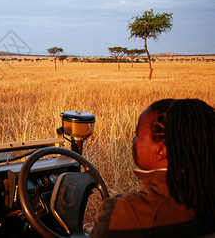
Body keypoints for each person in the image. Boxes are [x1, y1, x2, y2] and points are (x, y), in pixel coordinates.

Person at [90, 98, 215, 238]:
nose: (133, 140)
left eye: (138, 134)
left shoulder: (128, 212)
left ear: (161, 151)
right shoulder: (204, 196)